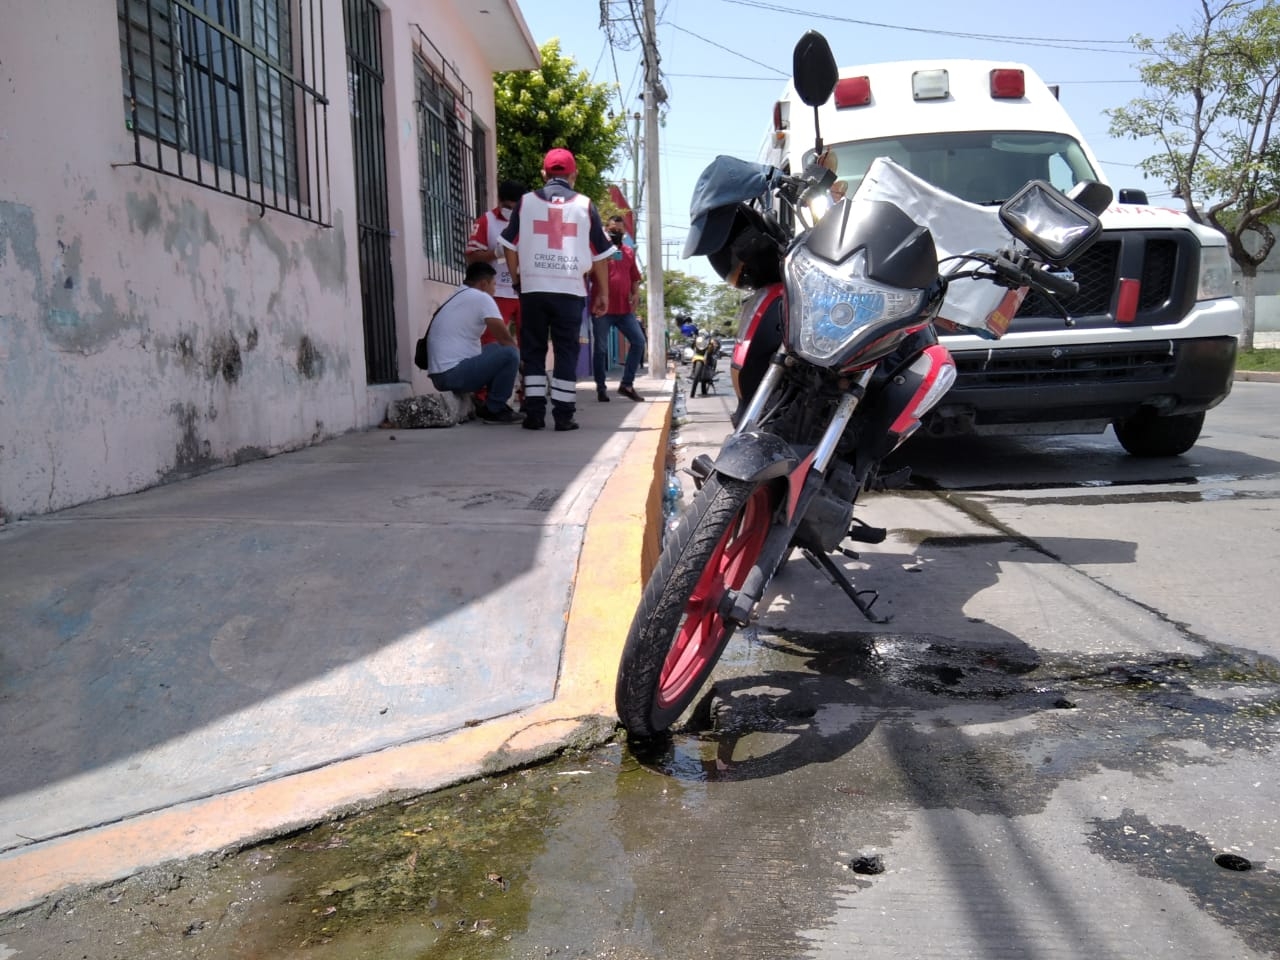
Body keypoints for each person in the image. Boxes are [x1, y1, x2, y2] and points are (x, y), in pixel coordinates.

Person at [500, 148, 612, 432]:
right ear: (573, 175)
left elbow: (509, 245)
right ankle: (564, 416)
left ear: (543, 174)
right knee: (566, 352)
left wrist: (517, 279)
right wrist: (603, 293)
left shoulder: (525, 203)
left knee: (534, 350)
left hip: (534, 288)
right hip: (570, 290)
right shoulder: (585, 205)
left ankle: (534, 414)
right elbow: (600, 254)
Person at [424, 261, 523, 425]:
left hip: (442, 374)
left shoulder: (457, 295)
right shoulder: (482, 298)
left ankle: (490, 404)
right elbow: (505, 338)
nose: (495, 289)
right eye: (494, 284)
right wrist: (522, 364)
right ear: (484, 284)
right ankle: (495, 409)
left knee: (496, 349)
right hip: (452, 374)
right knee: (510, 353)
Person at [588, 215, 646, 402]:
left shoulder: (628, 251)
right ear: (606, 229)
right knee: (601, 349)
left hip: (624, 310)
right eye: (613, 229)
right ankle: (601, 388)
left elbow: (635, 276)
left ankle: (627, 384)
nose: (616, 232)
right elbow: (587, 272)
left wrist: (635, 293)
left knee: (638, 342)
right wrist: (605, 256)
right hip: (602, 309)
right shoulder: (596, 250)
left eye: (620, 230)